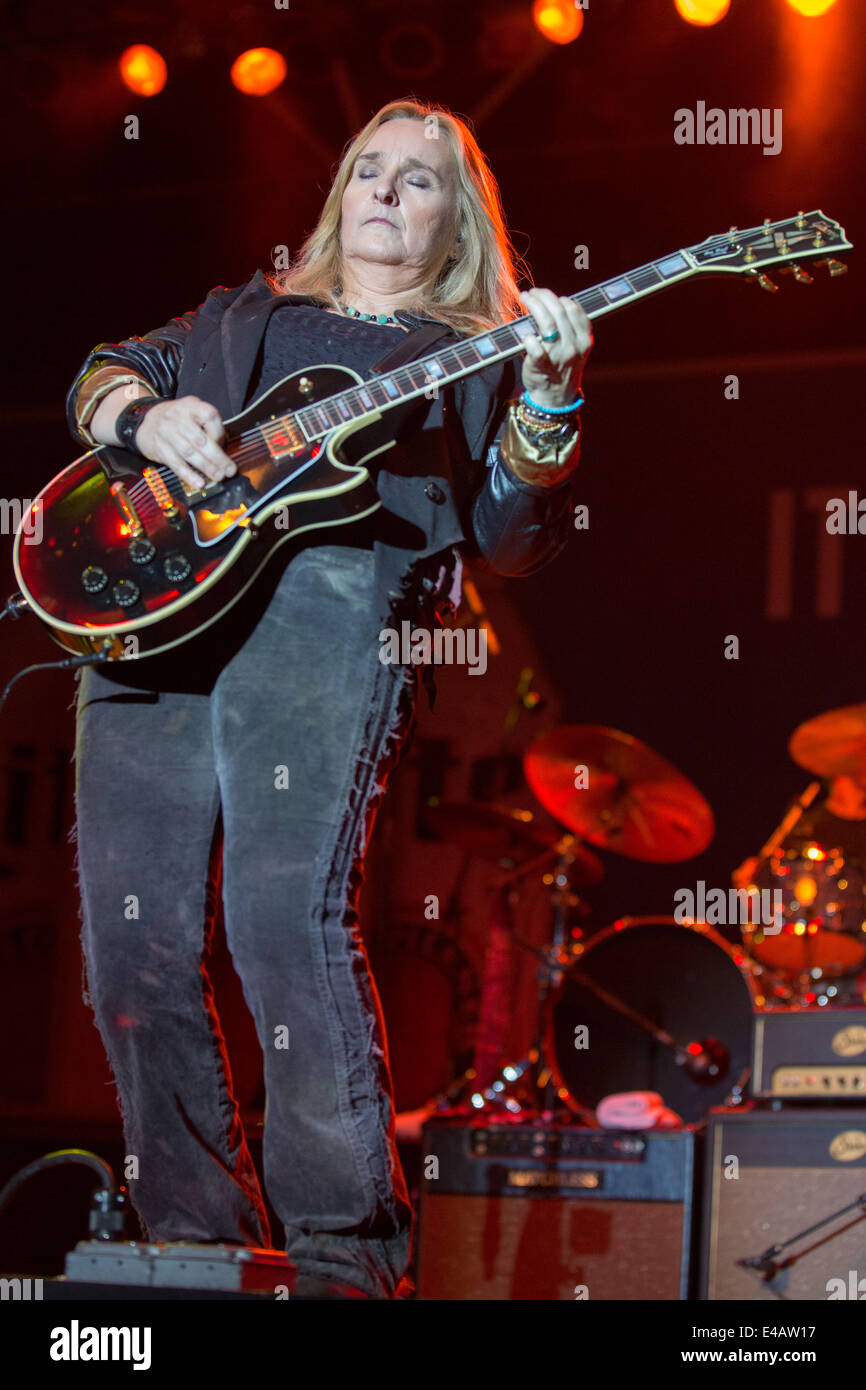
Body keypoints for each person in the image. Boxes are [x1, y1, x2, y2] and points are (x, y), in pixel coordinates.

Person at [64, 97, 592, 1299]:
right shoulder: (240, 317)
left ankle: (344, 1257)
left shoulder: (479, 348)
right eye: (368, 170)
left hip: (332, 606)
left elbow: (508, 536)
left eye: (418, 179)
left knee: (277, 921)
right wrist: (147, 417)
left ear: (457, 216)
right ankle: (194, 1238)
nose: (386, 193)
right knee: (128, 945)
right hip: (151, 623)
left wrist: (549, 399)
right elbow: (100, 376)